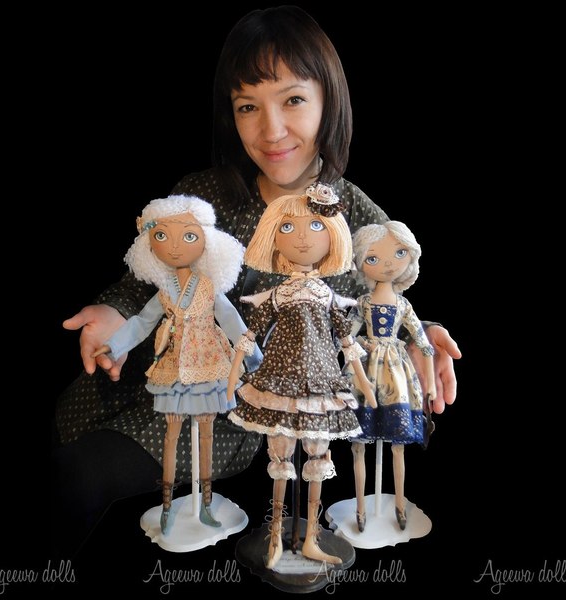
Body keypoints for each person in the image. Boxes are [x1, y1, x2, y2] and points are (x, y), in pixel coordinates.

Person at [55, 5, 461, 555]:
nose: (271, 131)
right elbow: (142, 281)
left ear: (328, 101)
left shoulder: (356, 216)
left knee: (85, 475)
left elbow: (377, 296)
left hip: (233, 408)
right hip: (149, 367)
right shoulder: (204, 194)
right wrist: (116, 312)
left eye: (293, 100)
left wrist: (419, 336)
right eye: (248, 106)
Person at [91, 196, 261, 535]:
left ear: (207, 242)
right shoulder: (164, 290)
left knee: (206, 432)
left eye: (188, 236)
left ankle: (207, 503)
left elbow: (232, 321)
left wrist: (254, 356)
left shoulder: (209, 287)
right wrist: (115, 344)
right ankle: (168, 504)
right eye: (161, 236)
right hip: (173, 365)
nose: (174, 246)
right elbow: (142, 322)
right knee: (171, 433)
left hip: (208, 362)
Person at [227, 186, 377, 568]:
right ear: (273, 238)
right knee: (280, 454)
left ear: (333, 236)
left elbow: (346, 340)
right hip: (280, 379)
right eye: (288, 227)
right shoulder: (278, 294)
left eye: (315, 225)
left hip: (321, 381)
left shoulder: (327, 296)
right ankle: (276, 533)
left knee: (318, 454)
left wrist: (362, 381)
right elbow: (250, 334)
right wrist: (232, 376)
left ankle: (311, 536)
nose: (303, 237)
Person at [347, 221, 435, 533]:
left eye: (398, 254)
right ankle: (360, 507)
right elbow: (346, 337)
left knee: (398, 445)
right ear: (361, 261)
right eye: (373, 258)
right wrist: (362, 343)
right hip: (366, 371)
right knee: (359, 444)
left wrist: (430, 386)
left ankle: (398, 503)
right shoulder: (363, 303)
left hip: (396, 371)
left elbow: (423, 343)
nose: (387, 264)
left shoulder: (403, 305)